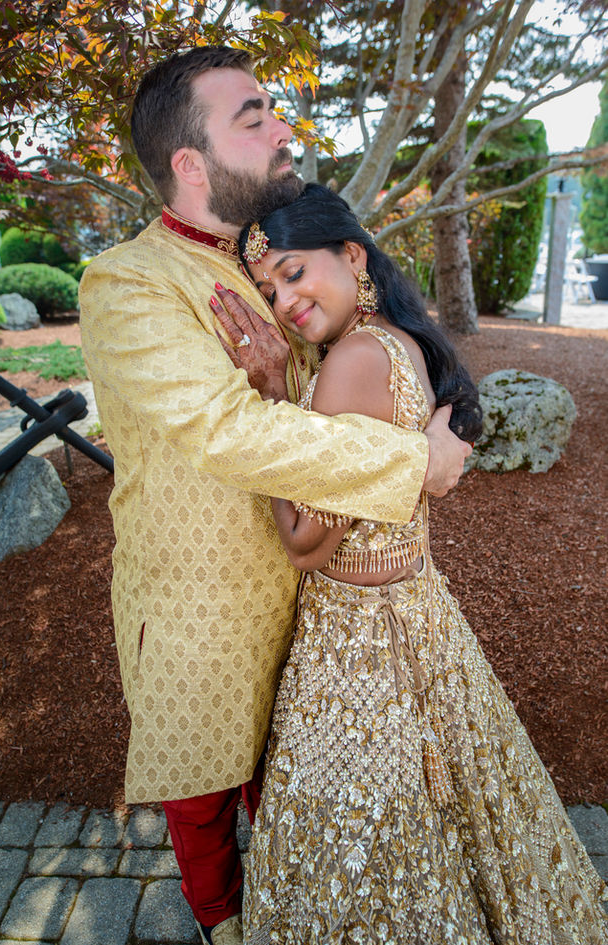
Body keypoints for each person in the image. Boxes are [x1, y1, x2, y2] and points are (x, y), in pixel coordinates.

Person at [78, 47, 471, 945]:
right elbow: (226, 432)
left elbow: (333, 380)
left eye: (276, 110)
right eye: (253, 116)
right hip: (197, 609)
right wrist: (414, 463)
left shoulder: (267, 255)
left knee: (288, 787)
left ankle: (299, 906)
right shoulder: (127, 284)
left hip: (310, 589)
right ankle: (228, 928)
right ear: (190, 162)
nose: (283, 127)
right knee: (206, 801)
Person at [225, 183, 608, 944]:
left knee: (362, 830)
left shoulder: (351, 363)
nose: (283, 300)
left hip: (358, 641)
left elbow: (305, 543)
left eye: (295, 272)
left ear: (352, 255)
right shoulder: (397, 341)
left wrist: (272, 403)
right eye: (268, 289)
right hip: (421, 609)